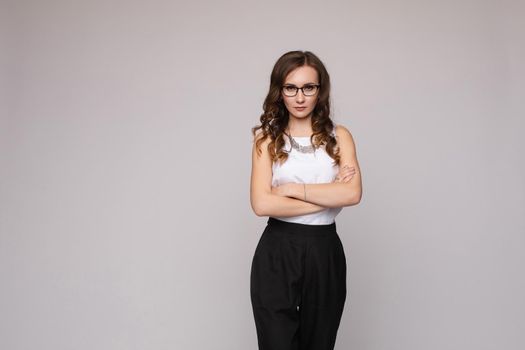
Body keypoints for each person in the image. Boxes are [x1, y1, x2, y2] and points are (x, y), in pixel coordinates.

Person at [249, 50, 362, 350]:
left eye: (308, 88)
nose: (300, 97)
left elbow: (352, 194)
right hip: (278, 250)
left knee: (319, 344)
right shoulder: (266, 139)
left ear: (319, 90)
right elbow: (262, 204)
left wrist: (290, 190)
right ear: (280, 91)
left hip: (324, 250)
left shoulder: (340, 138)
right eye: (291, 88)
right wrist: (329, 193)